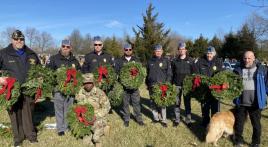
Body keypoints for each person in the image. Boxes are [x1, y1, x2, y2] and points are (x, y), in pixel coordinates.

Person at [0, 30, 40, 147]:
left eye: (21, 39)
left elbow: (39, 70)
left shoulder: (31, 54)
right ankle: (18, 139)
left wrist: (39, 81)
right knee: (14, 113)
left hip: (29, 89)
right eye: (16, 39)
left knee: (29, 112)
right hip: (11, 89)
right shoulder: (4, 53)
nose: (19, 41)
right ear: (12, 40)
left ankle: (31, 136)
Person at [46, 39, 81, 136]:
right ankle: (60, 129)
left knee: (69, 108)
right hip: (58, 89)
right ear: (61, 46)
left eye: (67, 47)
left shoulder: (74, 60)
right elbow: (48, 73)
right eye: (63, 46)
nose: (65, 48)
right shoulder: (53, 59)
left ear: (70, 48)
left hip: (71, 89)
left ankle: (67, 126)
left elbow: (79, 73)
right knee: (59, 109)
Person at [233, 51, 267, 147]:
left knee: (256, 125)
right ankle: (238, 140)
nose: (247, 60)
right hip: (241, 102)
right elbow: (232, 84)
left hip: (255, 102)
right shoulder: (238, 69)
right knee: (239, 124)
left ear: (254, 58)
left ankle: (255, 142)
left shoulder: (261, 70)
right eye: (245, 58)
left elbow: (267, 84)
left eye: (249, 58)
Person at [76, 73, 111, 147]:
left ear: (93, 83)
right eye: (85, 83)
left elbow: (107, 107)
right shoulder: (80, 92)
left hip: (98, 118)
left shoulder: (99, 92)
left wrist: (97, 115)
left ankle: (105, 127)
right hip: (85, 119)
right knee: (86, 143)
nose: (88, 85)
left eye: (90, 83)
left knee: (95, 138)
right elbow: (77, 105)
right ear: (83, 83)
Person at [115, 44, 145, 127]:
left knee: (136, 103)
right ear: (124, 50)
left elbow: (141, 73)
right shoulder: (119, 61)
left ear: (132, 50)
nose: (128, 51)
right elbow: (116, 72)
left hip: (135, 87)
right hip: (124, 87)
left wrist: (136, 82)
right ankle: (126, 119)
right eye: (126, 49)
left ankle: (139, 119)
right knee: (125, 104)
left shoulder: (136, 60)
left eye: (130, 49)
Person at [194, 46, 223, 127]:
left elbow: (221, 75)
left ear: (214, 54)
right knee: (205, 108)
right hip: (204, 90)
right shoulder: (200, 62)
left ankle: (214, 124)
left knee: (215, 108)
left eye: (211, 53)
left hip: (215, 90)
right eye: (208, 53)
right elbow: (196, 74)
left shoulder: (218, 62)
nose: (209, 55)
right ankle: (205, 122)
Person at [146, 44, 172, 128]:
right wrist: (147, 83)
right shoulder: (150, 61)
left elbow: (169, 73)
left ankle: (164, 120)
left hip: (162, 86)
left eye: (159, 51)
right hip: (152, 85)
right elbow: (147, 73)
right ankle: (156, 118)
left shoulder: (166, 60)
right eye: (156, 51)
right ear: (154, 52)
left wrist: (167, 83)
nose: (158, 52)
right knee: (152, 102)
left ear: (162, 51)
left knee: (162, 103)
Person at [171, 41, 194, 127]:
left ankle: (188, 120)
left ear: (186, 50)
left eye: (183, 49)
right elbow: (172, 73)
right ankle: (177, 119)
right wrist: (171, 84)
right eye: (180, 49)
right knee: (177, 103)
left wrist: (192, 85)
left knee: (187, 103)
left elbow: (193, 74)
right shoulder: (174, 61)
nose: (181, 51)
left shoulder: (190, 61)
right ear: (178, 50)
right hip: (177, 85)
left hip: (187, 86)